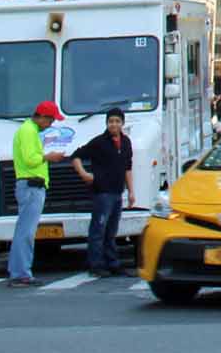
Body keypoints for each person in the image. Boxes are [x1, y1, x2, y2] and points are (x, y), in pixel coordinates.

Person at [71, 110, 137, 277]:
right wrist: (84, 174)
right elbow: (76, 156)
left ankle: (113, 263)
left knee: (111, 231)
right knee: (98, 230)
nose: (113, 124)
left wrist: (131, 191)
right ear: (107, 124)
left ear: (122, 123)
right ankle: (96, 264)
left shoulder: (126, 142)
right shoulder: (99, 142)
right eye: (110, 121)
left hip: (117, 192)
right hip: (102, 193)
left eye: (117, 121)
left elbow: (128, 168)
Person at [8, 100, 60, 287]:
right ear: (42, 117)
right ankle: (21, 273)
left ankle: (19, 271)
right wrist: (49, 156)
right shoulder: (29, 131)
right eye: (51, 120)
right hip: (31, 186)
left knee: (24, 231)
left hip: (30, 186)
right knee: (26, 232)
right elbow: (31, 160)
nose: (51, 124)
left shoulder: (28, 129)